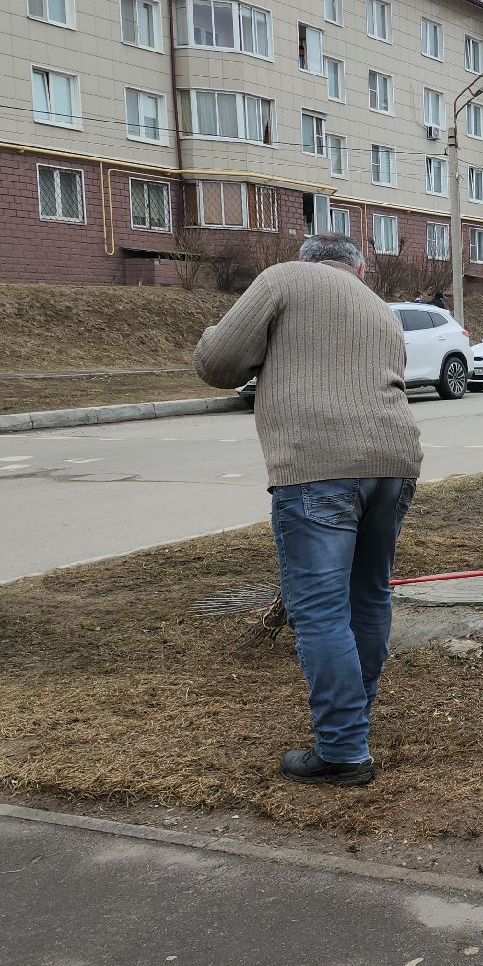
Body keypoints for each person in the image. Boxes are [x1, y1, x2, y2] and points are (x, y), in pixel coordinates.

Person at [193, 233, 423, 787]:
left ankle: (343, 751)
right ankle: (353, 726)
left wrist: (216, 340)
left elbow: (219, 363)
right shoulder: (380, 308)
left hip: (318, 466)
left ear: (310, 260)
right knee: (368, 595)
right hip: (394, 462)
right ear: (357, 269)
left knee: (320, 610)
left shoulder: (283, 279)